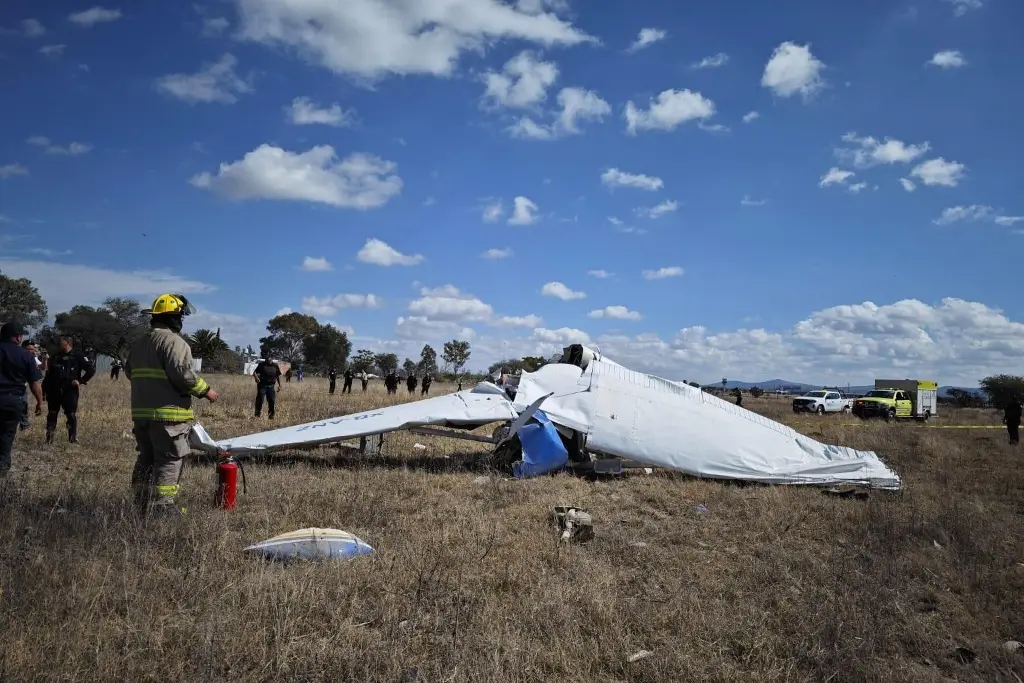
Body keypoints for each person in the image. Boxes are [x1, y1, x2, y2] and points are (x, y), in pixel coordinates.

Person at [125, 293, 218, 515]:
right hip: (168, 416)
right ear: (173, 317)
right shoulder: (174, 342)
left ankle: (141, 503)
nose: (182, 321)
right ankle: (163, 507)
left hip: (142, 415)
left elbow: (130, 372)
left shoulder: (138, 343)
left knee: (146, 458)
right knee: (169, 459)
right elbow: (183, 375)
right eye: (180, 316)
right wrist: (206, 391)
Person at [0, 321, 44, 476]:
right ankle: (2, 468)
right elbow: (34, 383)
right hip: (13, 400)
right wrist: (39, 401)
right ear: (17, 338)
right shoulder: (25, 355)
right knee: (6, 434)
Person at [43, 336, 95, 444]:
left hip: (69, 389)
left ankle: (72, 438)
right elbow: (48, 374)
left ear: (68, 343)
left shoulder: (78, 356)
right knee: (52, 413)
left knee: (70, 414)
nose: (59, 344)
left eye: (61, 342)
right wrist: (44, 389)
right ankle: (49, 438)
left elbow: (91, 369)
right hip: (55, 389)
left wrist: (80, 381)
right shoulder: (56, 356)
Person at [19, 339, 42, 431]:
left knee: (23, 408)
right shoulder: (28, 358)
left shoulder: (32, 358)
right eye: (28, 349)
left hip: (19, 388)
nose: (30, 351)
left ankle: (24, 427)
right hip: (17, 390)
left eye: (32, 349)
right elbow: (34, 382)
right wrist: (39, 402)